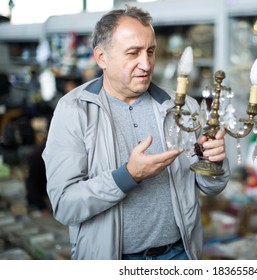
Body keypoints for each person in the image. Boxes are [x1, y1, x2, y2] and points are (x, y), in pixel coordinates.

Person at [42, 5, 230, 260]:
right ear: (101, 58)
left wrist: (214, 162)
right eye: (133, 53)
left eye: (150, 51)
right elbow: (65, 206)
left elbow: (210, 186)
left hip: (179, 254)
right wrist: (128, 175)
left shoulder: (182, 107)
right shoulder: (74, 110)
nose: (146, 63)